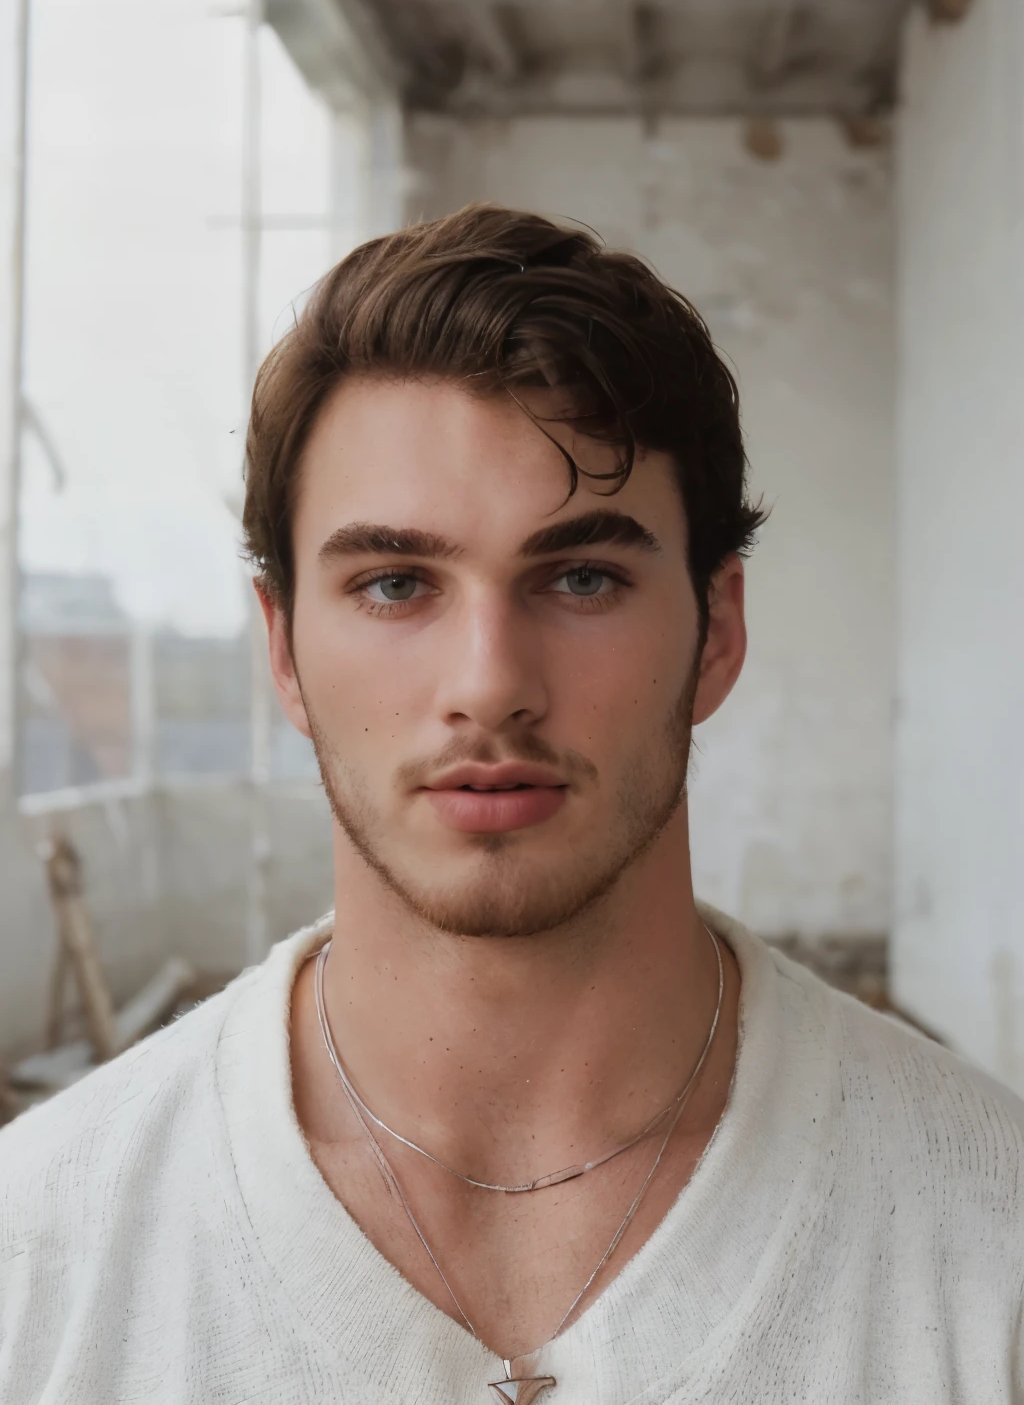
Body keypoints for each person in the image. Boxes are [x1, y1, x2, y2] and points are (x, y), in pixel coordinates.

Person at [1, 206, 1021, 1405]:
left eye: (582, 576)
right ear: (283, 651)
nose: (488, 682)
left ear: (717, 632)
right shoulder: (39, 1258)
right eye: (393, 584)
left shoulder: (988, 1242)